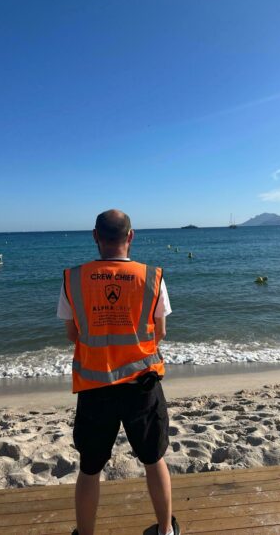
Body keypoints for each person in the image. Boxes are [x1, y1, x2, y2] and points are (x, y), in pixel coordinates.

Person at [57, 209, 180, 535]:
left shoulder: (74, 278)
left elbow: (72, 334)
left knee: (90, 467)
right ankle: (165, 531)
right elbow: (160, 331)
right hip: (141, 384)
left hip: (95, 384)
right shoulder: (151, 276)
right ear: (131, 236)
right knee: (153, 459)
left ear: (95, 236)